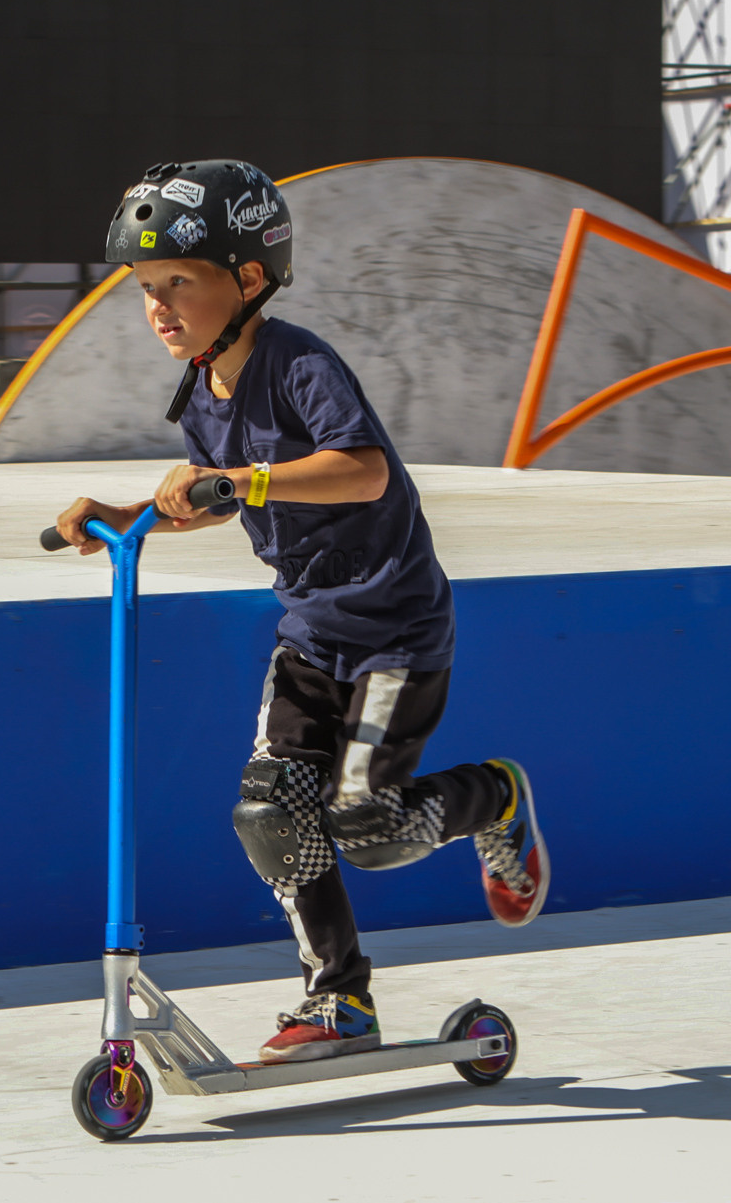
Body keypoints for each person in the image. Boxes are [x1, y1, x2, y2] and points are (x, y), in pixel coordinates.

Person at [55, 161, 548, 1066]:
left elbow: (363, 471)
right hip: (311, 637)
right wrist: (129, 518)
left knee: (369, 824)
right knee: (270, 811)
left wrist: (242, 476)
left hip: (395, 634)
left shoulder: (298, 363)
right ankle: (338, 1000)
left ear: (248, 279)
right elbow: (215, 498)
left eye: (179, 283)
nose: (158, 306)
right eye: (146, 288)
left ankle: (495, 797)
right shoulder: (204, 396)